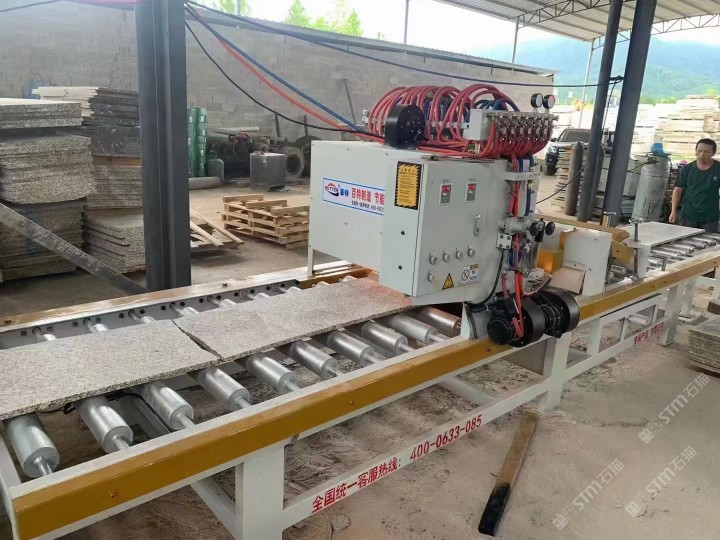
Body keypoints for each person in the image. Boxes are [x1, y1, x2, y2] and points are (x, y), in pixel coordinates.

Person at [669, 138, 720, 232]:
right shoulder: (686, 169)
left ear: (713, 153)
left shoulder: (718, 169)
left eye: (706, 152)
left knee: (710, 240)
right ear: (695, 151)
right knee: (686, 240)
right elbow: (678, 190)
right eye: (699, 151)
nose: (702, 155)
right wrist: (673, 211)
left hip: (710, 218)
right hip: (688, 216)